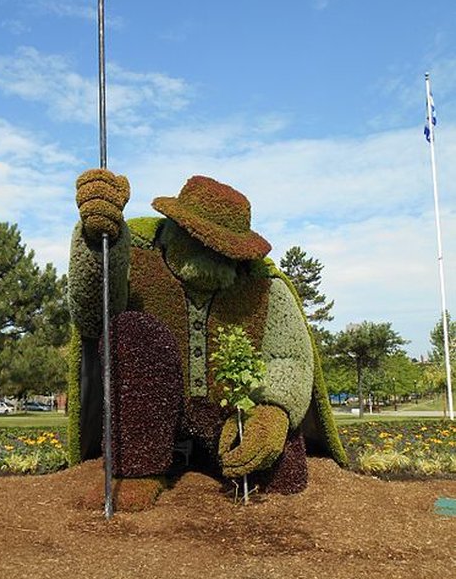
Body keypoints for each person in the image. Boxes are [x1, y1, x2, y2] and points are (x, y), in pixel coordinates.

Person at [68, 170, 346, 498]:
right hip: (154, 416)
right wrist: (100, 241)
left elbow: (288, 357)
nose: (211, 254)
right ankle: (138, 470)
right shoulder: (136, 261)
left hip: (230, 416)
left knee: (285, 474)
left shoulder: (264, 288)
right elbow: (91, 318)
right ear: (177, 229)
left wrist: (274, 410)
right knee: (133, 332)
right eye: (200, 240)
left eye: (223, 247)